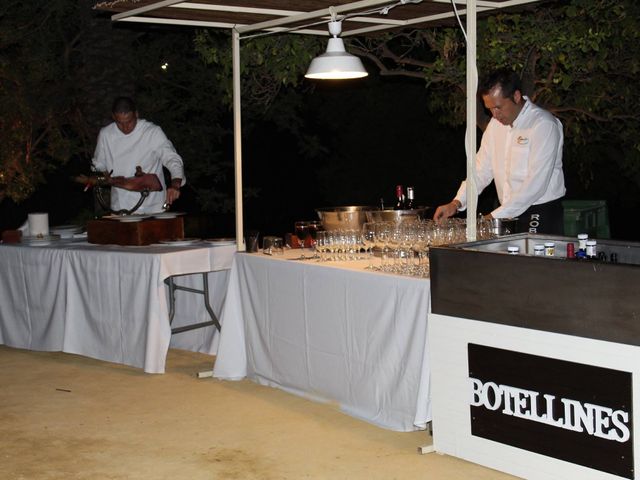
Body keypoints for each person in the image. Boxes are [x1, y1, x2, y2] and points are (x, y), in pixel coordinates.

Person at [433, 68, 566, 234]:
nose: (495, 114)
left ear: (516, 96)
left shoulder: (543, 125)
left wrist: (491, 218)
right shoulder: (495, 126)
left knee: (533, 260)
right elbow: (480, 170)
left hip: (539, 211)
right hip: (506, 213)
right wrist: (456, 203)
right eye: (490, 109)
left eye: (498, 107)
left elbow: (535, 186)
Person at [91, 96, 185, 214]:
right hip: (120, 206)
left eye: (129, 122)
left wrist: (175, 185)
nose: (125, 128)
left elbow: (172, 159)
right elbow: (98, 164)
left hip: (153, 206)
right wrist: (102, 176)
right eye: (120, 123)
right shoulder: (106, 134)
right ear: (113, 117)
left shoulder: (152, 132)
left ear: (136, 114)